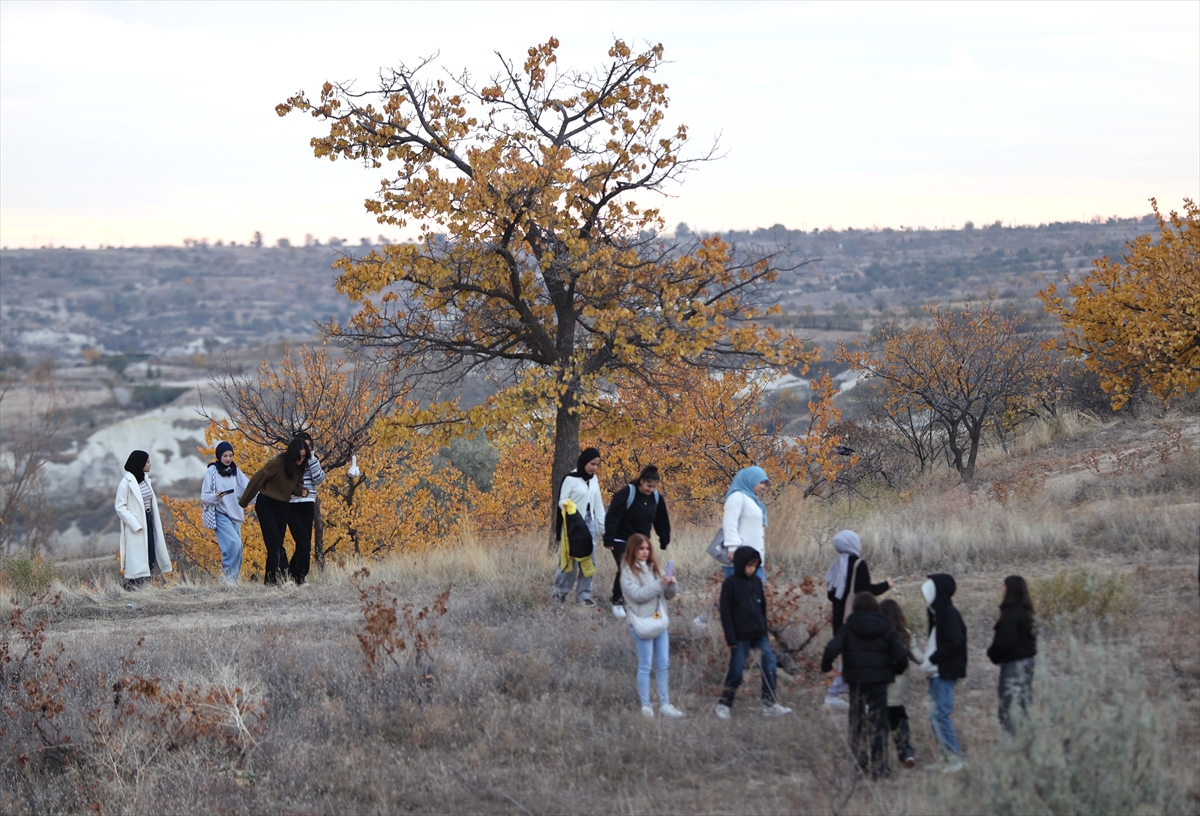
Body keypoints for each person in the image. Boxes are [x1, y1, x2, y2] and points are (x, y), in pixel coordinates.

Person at [821, 592, 910, 779]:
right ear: (875, 606)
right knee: (879, 724)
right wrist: (896, 670)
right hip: (879, 681)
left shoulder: (849, 626)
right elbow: (901, 654)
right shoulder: (886, 626)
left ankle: (859, 765)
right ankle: (880, 769)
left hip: (856, 681)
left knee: (857, 723)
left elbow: (831, 648)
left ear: (855, 608)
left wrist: (827, 668)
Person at [715, 545, 792, 719]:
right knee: (736, 671)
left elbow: (762, 607)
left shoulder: (757, 582)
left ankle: (769, 704)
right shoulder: (730, 584)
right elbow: (725, 613)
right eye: (748, 565)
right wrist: (730, 637)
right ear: (740, 563)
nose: (751, 569)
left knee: (770, 665)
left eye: (755, 565)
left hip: (759, 634)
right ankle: (724, 704)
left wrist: (764, 630)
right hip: (740, 636)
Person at [824, 530, 895, 708]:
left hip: (839, 618)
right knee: (855, 657)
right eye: (858, 541)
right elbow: (866, 591)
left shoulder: (836, 565)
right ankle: (834, 695)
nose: (861, 545)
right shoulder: (859, 564)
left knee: (848, 655)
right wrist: (887, 585)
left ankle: (839, 694)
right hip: (855, 617)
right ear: (851, 544)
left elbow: (831, 595)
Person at [620, 533, 683, 718]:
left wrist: (671, 584)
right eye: (641, 549)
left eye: (647, 548)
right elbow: (637, 595)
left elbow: (669, 595)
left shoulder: (655, 568)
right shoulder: (627, 571)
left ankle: (665, 704)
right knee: (646, 664)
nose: (645, 552)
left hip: (659, 620)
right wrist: (659, 584)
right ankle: (646, 706)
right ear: (633, 550)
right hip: (641, 622)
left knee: (663, 664)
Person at [604, 465, 671, 620]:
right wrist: (609, 538)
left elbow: (662, 520)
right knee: (626, 567)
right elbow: (612, 516)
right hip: (621, 538)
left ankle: (636, 599)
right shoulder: (626, 494)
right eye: (648, 486)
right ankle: (617, 601)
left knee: (643, 570)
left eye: (654, 487)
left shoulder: (656, 498)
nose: (651, 489)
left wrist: (664, 538)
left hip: (641, 540)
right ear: (641, 481)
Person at [239, 437, 309, 585]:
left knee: (276, 542)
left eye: (304, 456)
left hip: (283, 506)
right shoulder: (277, 464)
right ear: (292, 454)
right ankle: (283, 577)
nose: (301, 459)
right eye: (299, 456)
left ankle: (270, 581)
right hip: (266, 504)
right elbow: (258, 479)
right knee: (275, 543)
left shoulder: (300, 467)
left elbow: (295, 486)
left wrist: (300, 491)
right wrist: (244, 501)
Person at [920, 573, 968, 773]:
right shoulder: (939, 614)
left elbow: (954, 642)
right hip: (936, 672)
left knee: (940, 714)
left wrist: (933, 659)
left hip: (944, 671)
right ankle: (946, 757)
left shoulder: (949, 613)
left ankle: (956, 759)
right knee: (935, 715)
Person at [553, 447, 605, 608]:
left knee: (590, 559)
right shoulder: (571, 478)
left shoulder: (594, 480)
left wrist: (603, 531)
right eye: (592, 464)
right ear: (584, 461)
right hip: (573, 525)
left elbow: (598, 505)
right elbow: (561, 500)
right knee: (570, 561)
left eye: (597, 465)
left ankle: (583, 595)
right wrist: (569, 506)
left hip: (590, 523)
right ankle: (560, 592)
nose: (594, 468)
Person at [114, 450, 172, 589]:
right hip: (137, 523)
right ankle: (135, 587)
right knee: (139, 556)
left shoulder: (146, 479)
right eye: (147, 462)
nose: (150, 464)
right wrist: (134, 523)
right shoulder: (126, 483)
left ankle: (142, 586)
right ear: (139, 463)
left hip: (149, 518)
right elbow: (120, 507)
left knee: (151, 552)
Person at [987, 575, 1037, 734]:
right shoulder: (1027, 613)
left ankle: (1012, 745)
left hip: (1014, 665)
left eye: (1004, 586)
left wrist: (992, 654)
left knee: (1009, 708)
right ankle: (1026, 744)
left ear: (1010, 590)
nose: (1002, 589)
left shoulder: (1011, 614)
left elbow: (1006, 641)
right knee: (1023, 706)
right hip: (1028, 663)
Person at [879, 598, 922, 768]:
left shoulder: (876, 633)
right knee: (900, 720)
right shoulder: (906, 634)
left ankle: (879, 756)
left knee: (879, 723)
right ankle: (906, 753)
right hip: (899, 686)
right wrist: (933, 664)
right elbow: (918, 656)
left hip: (881, 685)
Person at [200, 441, 250, 584]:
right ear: (218, 456)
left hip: (235, 514)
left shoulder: (236, 471)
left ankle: (231, 581)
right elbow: (204, 495)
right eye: (225, 456)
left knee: (238, 548)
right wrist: (216, 497)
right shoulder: (212, 471)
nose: (228, 459)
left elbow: (249, 489)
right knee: (233, 544)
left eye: (230, 455)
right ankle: (228, 580)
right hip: (220, 513)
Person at [286, 432, 325, 587]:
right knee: (302, 540)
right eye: (303, 446)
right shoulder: (290, 461)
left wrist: (313, 460)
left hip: (308, 503)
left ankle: (291, 574)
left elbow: (319, 479)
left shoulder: (312, 461)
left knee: (305, 542)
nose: (306, 449)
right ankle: (299, 577)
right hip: (291, 504)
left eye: (309, 446)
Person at [722, 466, 770, 578]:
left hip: (754, 559)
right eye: (760, 482)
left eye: (764, 483)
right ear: (751, 480)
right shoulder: (737, 497)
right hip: (740, 559)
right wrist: (732, 548)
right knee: (739, 594)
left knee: (756, 593)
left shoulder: (753, 501)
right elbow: (729, 523)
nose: (763, 487)